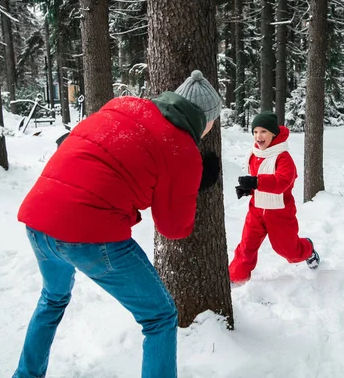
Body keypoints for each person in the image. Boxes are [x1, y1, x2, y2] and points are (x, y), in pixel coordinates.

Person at [13, 70, 222, 378]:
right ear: (206, 121)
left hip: (38, 218)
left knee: (52, 298)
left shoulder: (123, 105)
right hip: (90, 236)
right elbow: (173, 229)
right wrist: (193, 184)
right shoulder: (182, 148)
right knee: (159, 317)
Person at [229, 112, 320, 286]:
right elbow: (257, 182)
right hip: (256, 210)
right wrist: (247, 190)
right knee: (246, 247)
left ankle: (307, 248)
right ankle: (236, 278)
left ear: (273, 133)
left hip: (280, 213)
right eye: (255, 132)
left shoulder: (283, 157)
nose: (258, 136)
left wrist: (256, 182)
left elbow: (282, 182)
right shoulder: (254, 154)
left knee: (289, 251)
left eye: (263, 131)